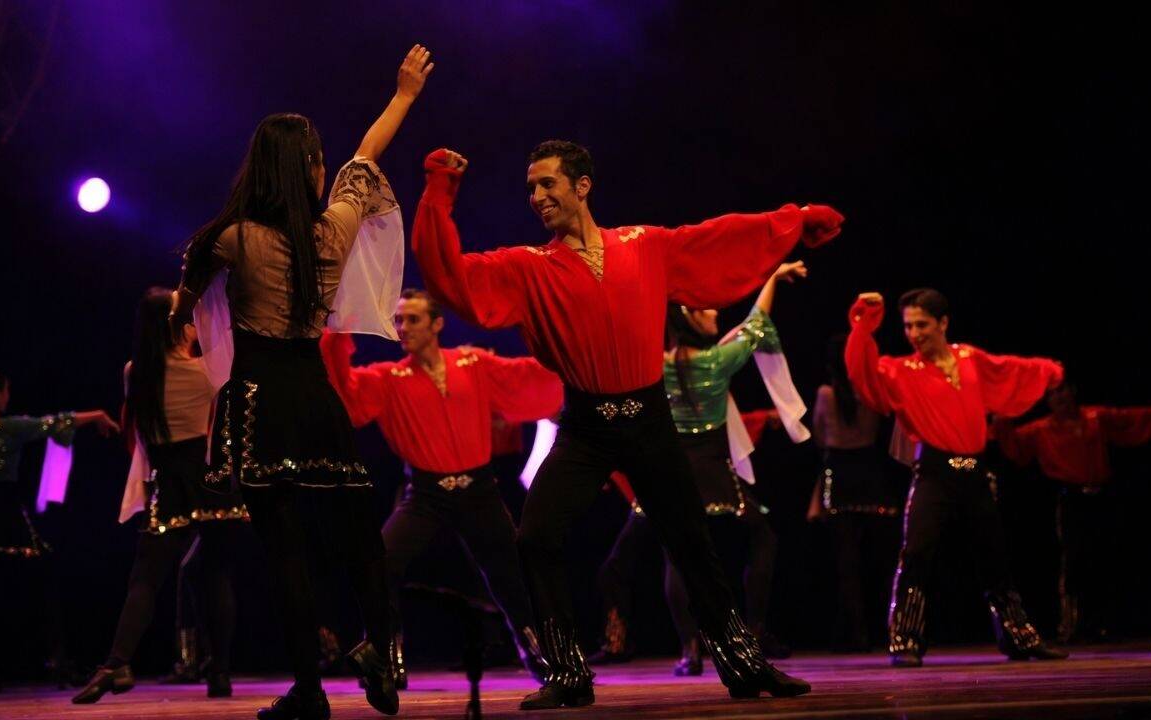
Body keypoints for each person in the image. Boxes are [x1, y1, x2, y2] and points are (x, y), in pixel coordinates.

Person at [412, 139, 843, 707]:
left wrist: (796, 220)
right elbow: (450, 275)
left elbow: (718, 240)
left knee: (691, 543)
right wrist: (439, 191)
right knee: (536, 536)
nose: (537, 196)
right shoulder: (527, 265)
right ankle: (567, 674)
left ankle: (744, 665)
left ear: (582, 185)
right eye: (530, 188)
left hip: (649, 422)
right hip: (586, 426)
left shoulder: (644, 245)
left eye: (547, 183)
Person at [168, 44, 433, 720]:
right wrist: (404, 94)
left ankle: (310, 693)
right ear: (311, 169)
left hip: (258, 405)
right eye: (318, 162)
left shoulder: (227, 237)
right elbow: (365, 159)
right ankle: (379, 649)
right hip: (316, 398)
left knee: (285, 552)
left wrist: (186, 319)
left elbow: (182, 309)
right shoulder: (334, 228)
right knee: (359, 534)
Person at [320, 288, 562, 686]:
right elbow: (345, 393)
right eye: (398, 320)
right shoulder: (389, 377)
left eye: (412, 319)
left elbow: (528, 378)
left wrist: (561, 344)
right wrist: (336, 335)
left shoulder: (473, 363)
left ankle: (541, 655)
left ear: (437, 324)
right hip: (426, 495)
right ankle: (385, 658)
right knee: (380, 565)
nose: (403, 327)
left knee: (511, 575)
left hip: (478, 491)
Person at [592, 261, 809, 676]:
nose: (714, 311)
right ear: (687, 317)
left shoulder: (652, 366)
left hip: (665, 475)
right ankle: (754, 631)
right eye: (704, 308)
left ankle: (690, 650)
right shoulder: (716, 362)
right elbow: (756, 324)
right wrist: (771, 278)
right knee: (762, 536)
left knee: (676, 556)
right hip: (712, 473)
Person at [844, 288, 1067, 667]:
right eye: (908, 326)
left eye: (922, 325)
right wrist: (864, 324)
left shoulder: (969, 358)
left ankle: (1020, 638)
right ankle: (905, 640)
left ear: (943, 323)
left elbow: (1007, 369)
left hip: (975, 473)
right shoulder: (902, 370)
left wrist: (1049, 371)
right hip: (934, 474)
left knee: (995, 557)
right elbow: (863, 372)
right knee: (917, 554)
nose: (914, 333)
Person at [74, 288, 250, 703]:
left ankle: (116, 663)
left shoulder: (136, 372)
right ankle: (220, 673)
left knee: (146, 579)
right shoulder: (207, 370)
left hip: (168, 483)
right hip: (209, 484)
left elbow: (136, 433)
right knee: (214, 574)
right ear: (180, 325)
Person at [0, 356, 118, 692]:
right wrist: (97, 415)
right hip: (5, 517)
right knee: (42, 584)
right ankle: (56, 662)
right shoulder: (7, 429)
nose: (8, 397)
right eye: (5, 390)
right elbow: (54, 422)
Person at [996, 380, 1151, 643]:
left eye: (1062, 390)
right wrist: (1000, 418)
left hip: (1102, 498)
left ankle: (1103, 622)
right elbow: (1013, 445)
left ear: (1073, 391)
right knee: (1073, 563)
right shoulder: (1040, 429)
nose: (1059, 397)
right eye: (1052, 394)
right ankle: (1070, 626)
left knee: (1106, 559)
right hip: (1071, 501)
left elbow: (1129, 420)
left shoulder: (1095, 417)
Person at [807, 333, 904, 652]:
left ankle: (857, 633)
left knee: (846, 562)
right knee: (882, 558)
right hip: (869, 470)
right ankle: (889, 629)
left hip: (840, 471)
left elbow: (819, 435)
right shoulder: (870, 391)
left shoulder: (826, 393)